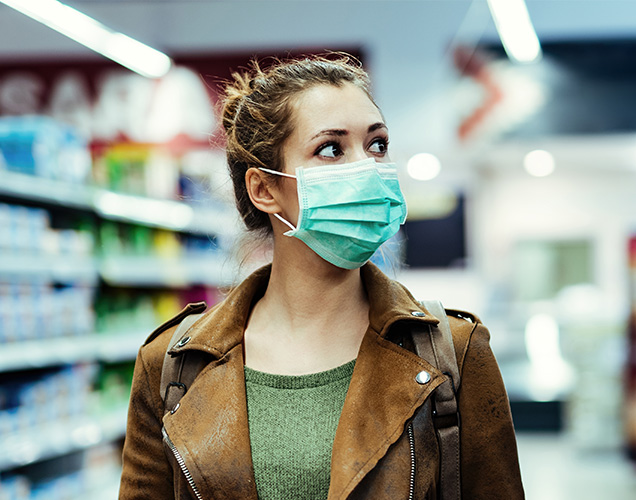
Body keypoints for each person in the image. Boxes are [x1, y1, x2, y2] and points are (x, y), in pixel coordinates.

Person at [119, 54, 524, 500]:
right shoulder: (173, 365)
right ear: (264, 189)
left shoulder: (454, 354)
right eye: (331, 149)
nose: (367, 168)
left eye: (377, 145)